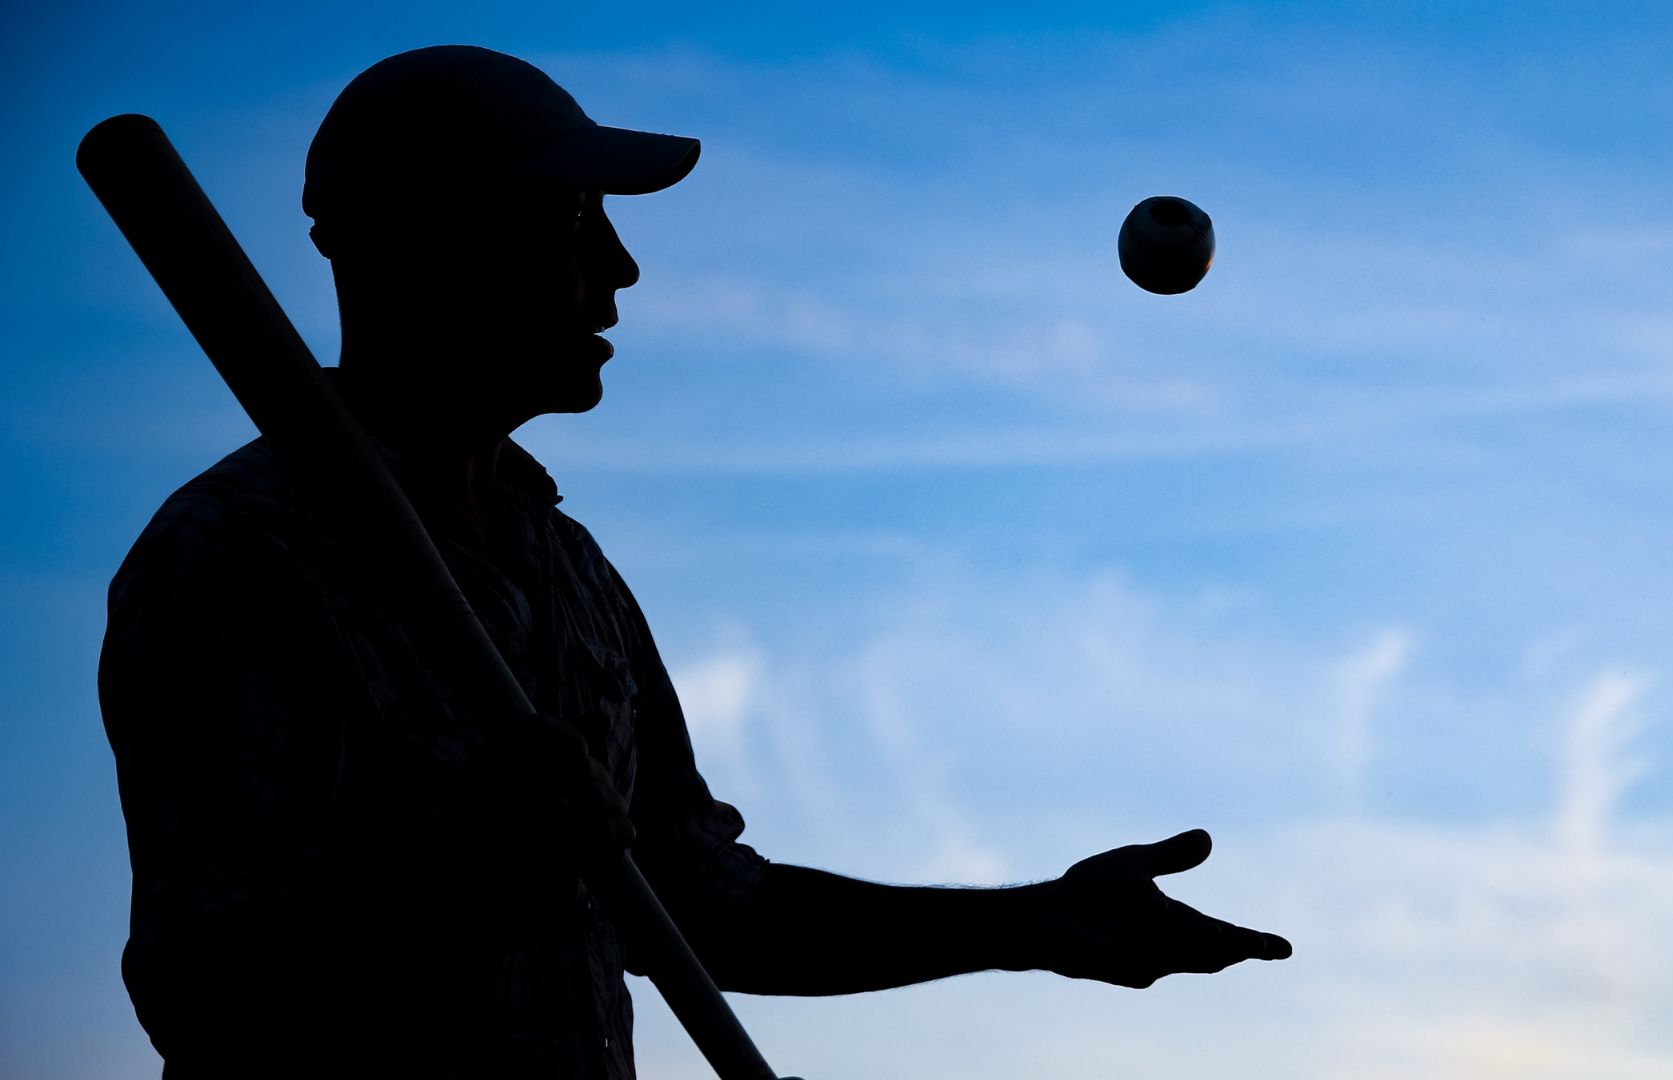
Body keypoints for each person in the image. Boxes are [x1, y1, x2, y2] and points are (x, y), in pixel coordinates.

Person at [97, 45, 1291, 1079]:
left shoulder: (571, 573)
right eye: (577, 219)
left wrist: (1038, 924)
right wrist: (467, 886)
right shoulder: (239, 556)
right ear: (440, 239)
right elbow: (212, 993)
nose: (621, 267)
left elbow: (704, 906)